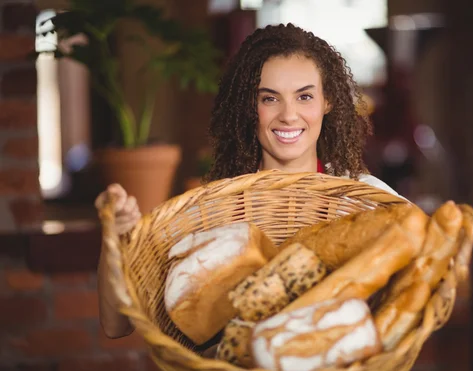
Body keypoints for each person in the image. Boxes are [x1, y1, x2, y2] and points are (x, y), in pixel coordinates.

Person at [95, 23, 406, 339]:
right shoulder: (208, 212)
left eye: (304, 96)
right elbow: (116, 325)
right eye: (270, 98)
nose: (288, 115)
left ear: (328, 102)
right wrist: (117, 242)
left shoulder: (368, 199)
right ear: (249, 106)